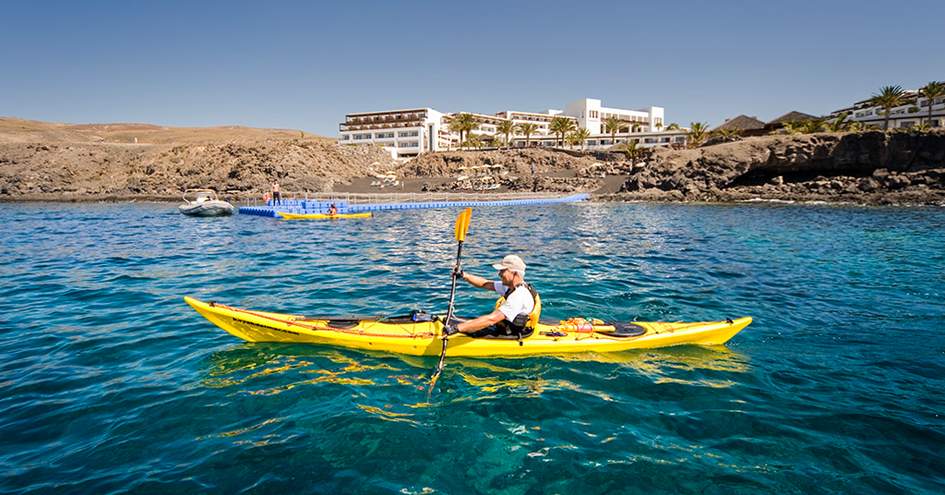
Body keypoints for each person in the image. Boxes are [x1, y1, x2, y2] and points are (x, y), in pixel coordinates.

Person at [444, 255, 541, 339]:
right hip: (504, 325)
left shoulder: (519, 296)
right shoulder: (511, 286)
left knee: (462, 328)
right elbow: (484, 284)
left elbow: (491, 319)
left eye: (503, 271)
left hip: (511, 332)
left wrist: (457, 328)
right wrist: (463, 275)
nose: (499, 274)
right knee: (451, 322)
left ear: (514, 273)